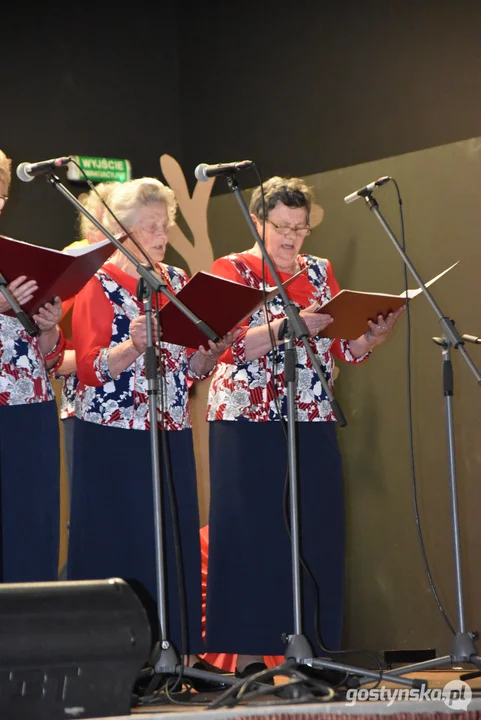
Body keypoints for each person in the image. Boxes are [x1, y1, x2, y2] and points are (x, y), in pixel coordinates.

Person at [204, 176, 404, 676]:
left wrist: (371, 338)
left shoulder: (320, 271)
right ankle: (249, 659)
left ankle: (316, 651)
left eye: (300, 228)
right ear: (258, 222)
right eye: (281, 227)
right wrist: (284, 327)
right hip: (247, 420)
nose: (292, 237)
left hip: (311, 413)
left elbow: (341, 347)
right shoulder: (232, 269)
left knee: (317, 528)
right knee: (251, 533)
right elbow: (225, 346)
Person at [67, 177, 233, 664]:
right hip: (112, 436)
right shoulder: (94, 281)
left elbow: (190, 370)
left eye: (166, 225)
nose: (162, 236)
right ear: (121, 231)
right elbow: (89, 367)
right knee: (119, 539)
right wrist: (134, 345)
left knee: (170, 538)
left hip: (170, 429)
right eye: (150, 227)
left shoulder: (178, 281)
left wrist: (210, 355)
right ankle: (115, 659)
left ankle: (172, 654)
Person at [0, 148, 63, 582]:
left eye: (1, 194)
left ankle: (28, 640)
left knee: (30, 524)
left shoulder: (12, 256)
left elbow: (51, 356)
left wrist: (49, 329)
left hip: (30, 407)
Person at [58, 181, 118, 492]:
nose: (102, 234)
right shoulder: (74, 266)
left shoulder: (151, 273)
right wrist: (88, 362)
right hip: (86, 406)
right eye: (95, 224)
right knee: (92, 503)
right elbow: (43, 344)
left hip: (144, 406)